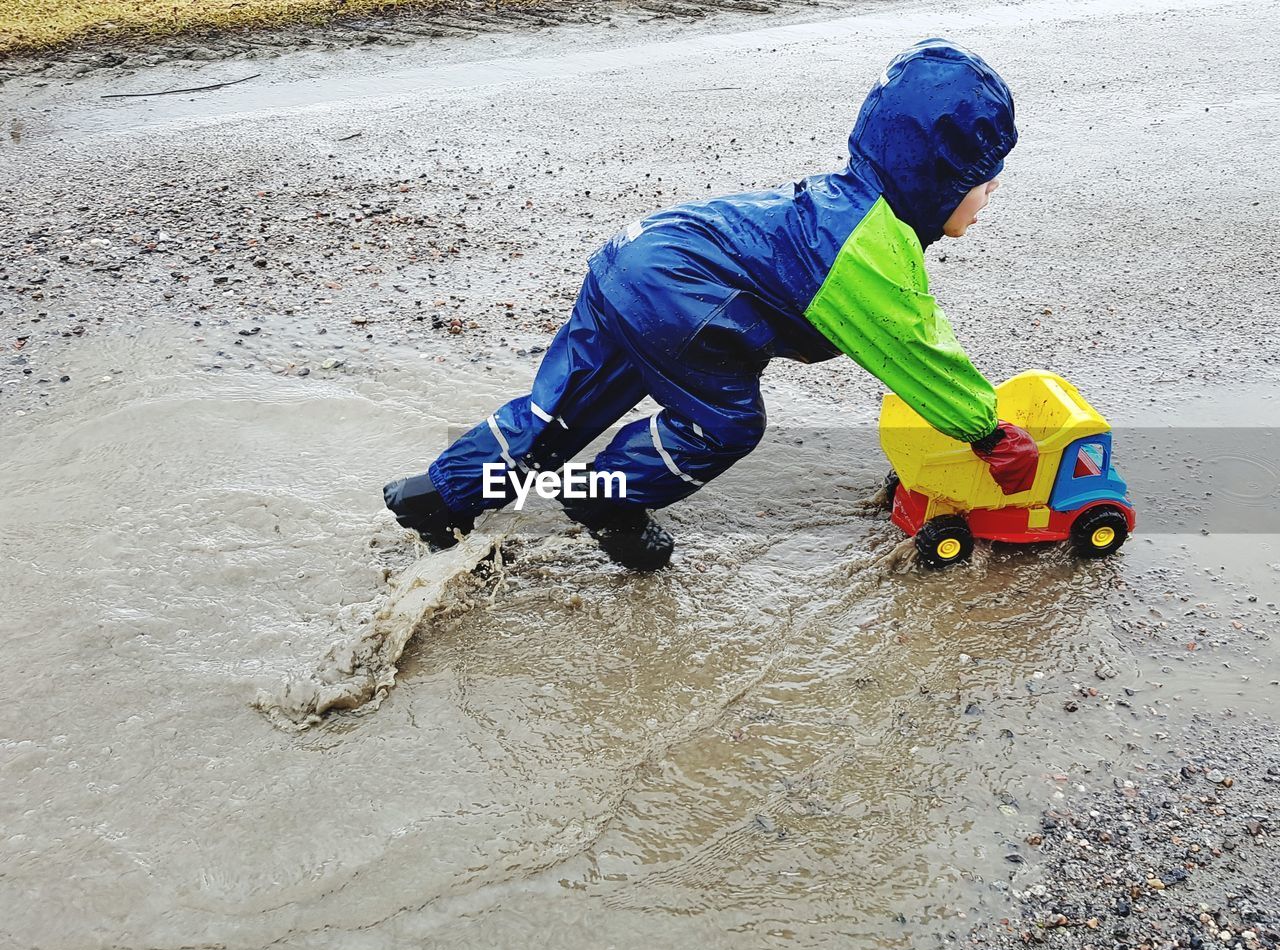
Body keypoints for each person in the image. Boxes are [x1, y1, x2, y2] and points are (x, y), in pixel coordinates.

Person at [384, 39, 1039, 571]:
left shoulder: (845, 201)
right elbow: (918, 355)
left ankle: (439, 495)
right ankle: (602, 499)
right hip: (681, 299)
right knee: (725, 423)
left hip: (639, 255)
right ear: (936, 180)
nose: (991, 194)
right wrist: (988, 431)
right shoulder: (867, 253)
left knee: (559, 411)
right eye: (983, 179)